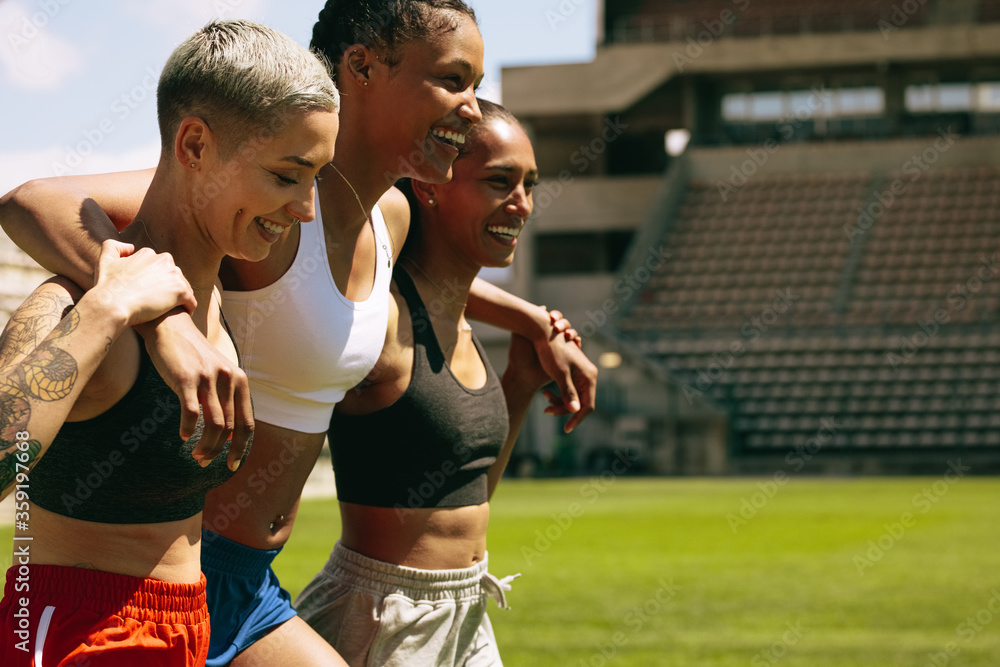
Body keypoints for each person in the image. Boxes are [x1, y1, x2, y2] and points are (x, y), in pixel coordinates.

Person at [0, 2, 596, 664]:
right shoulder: (254, 212)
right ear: (362, 66)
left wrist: (531, 320)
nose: (473, 108)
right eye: (454, 80)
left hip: (245, 584)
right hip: (166, 568)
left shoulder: (385, 217)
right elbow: (38, 201)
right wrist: (156, 316)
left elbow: (419, 286)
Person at [0, 19, 340, 666]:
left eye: (316, 178)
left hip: (190, 625)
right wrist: (107, 310)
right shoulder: (77, 302)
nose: (305, 208)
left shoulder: (217, 285)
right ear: (194, 146)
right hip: (78, 634)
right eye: (287, 174)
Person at [295, 99, 561, 666]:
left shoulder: (461, 320)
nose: (522, 204)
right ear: (433, 185)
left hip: (469, 613)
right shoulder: (382, 316)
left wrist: (521, 378)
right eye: (499, 182)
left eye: (530, 185)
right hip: (385, 615)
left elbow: (466, 493)